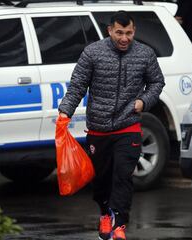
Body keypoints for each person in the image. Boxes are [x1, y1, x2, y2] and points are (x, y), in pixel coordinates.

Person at [58, 10, 165, 240]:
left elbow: (157, 82)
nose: (124, 38)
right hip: (99, 128)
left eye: (128, 33)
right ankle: (105, 214)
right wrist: (65, 111)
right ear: (110, 31)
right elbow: (77, 86)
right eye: (119, 33)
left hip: (129, 126)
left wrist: (143, 101)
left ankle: (119, 225)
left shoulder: (145, 54)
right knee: (103, 178)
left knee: (123, 176)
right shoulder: (93, 53)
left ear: (134, 31)